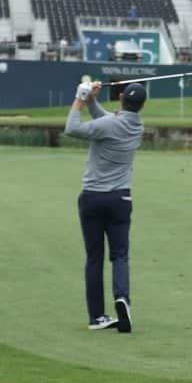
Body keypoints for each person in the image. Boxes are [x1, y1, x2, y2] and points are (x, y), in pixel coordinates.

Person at [64, 79, 147, 333]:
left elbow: (72, 128)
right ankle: (122, 298)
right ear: (141, 106)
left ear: (121, 99)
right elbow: (107, 121)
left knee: (94, 258)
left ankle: (97, 317)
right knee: (119, 255)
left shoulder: (110, 124)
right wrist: (92, 101)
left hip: (92, 199)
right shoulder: (137, 126)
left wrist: (80, 96)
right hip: (120, 199)